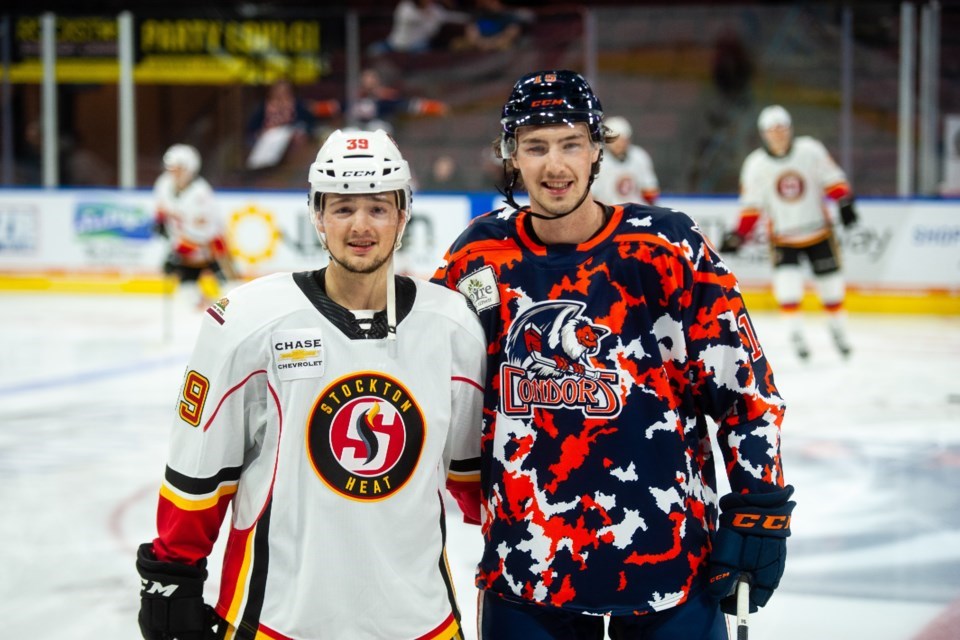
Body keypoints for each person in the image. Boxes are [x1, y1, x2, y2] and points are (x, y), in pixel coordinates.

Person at [432, 70, 794, 640]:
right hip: (527, 577)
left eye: (571, 143)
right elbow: (433, 388)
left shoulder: (666, 247)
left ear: (597, 150)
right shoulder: (478, 258)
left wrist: (760, 503)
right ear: (511, 157)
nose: (555, 166)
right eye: (536, 146)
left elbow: (744, 391)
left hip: (670, 574)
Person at [136, 129, 488, 640]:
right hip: (278, 621)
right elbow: (200, 470)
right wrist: (172, 576)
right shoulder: (249, 323)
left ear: (404, 214)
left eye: (378, 208)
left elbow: (479, 481)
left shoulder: (452, 326)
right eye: (343, 208)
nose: (361, 226)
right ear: (317, 215)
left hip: (421, 623)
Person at [720, 104, 858, 359]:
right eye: (772, 130)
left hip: (819, 232)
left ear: (790, 128)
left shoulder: (810, 150)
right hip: (783, 237)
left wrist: (844, 200)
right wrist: (740, 233)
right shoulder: (756, 164)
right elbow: (752, 205)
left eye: (781, 128)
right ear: (763, 133)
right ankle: (796, 335)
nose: (778, 134)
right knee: (788, 289)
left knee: (832, 288)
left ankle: (838, 331)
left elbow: (832, 178)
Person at [153, 144, 234, 308]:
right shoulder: (163, 185)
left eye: (178, 168)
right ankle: (210, 311)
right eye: (171, 168)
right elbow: (162, 212)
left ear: (190, 168)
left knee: (231, 294)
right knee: (190, 297)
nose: (173, 173)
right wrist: (161, 224)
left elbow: (205, 235)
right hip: (185, 251)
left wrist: (177, 252)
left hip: (211, 251)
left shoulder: (201, 194)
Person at [591, 115, 660, 205]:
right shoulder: (598, 160)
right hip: (609, 213)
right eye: (615, 140)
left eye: (622, 139)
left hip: (637, 213)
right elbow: (593, 195)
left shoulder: (639, 156)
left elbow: (650, 190)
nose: (619, 144)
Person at [368, 0, 470, 56]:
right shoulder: (406, 6)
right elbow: (411, 17)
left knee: (424, 51)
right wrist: (428, 16)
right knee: (373, 50)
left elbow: (450, 17)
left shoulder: (435, 11)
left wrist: (469, 17)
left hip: (416, 48)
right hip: (395, 45)